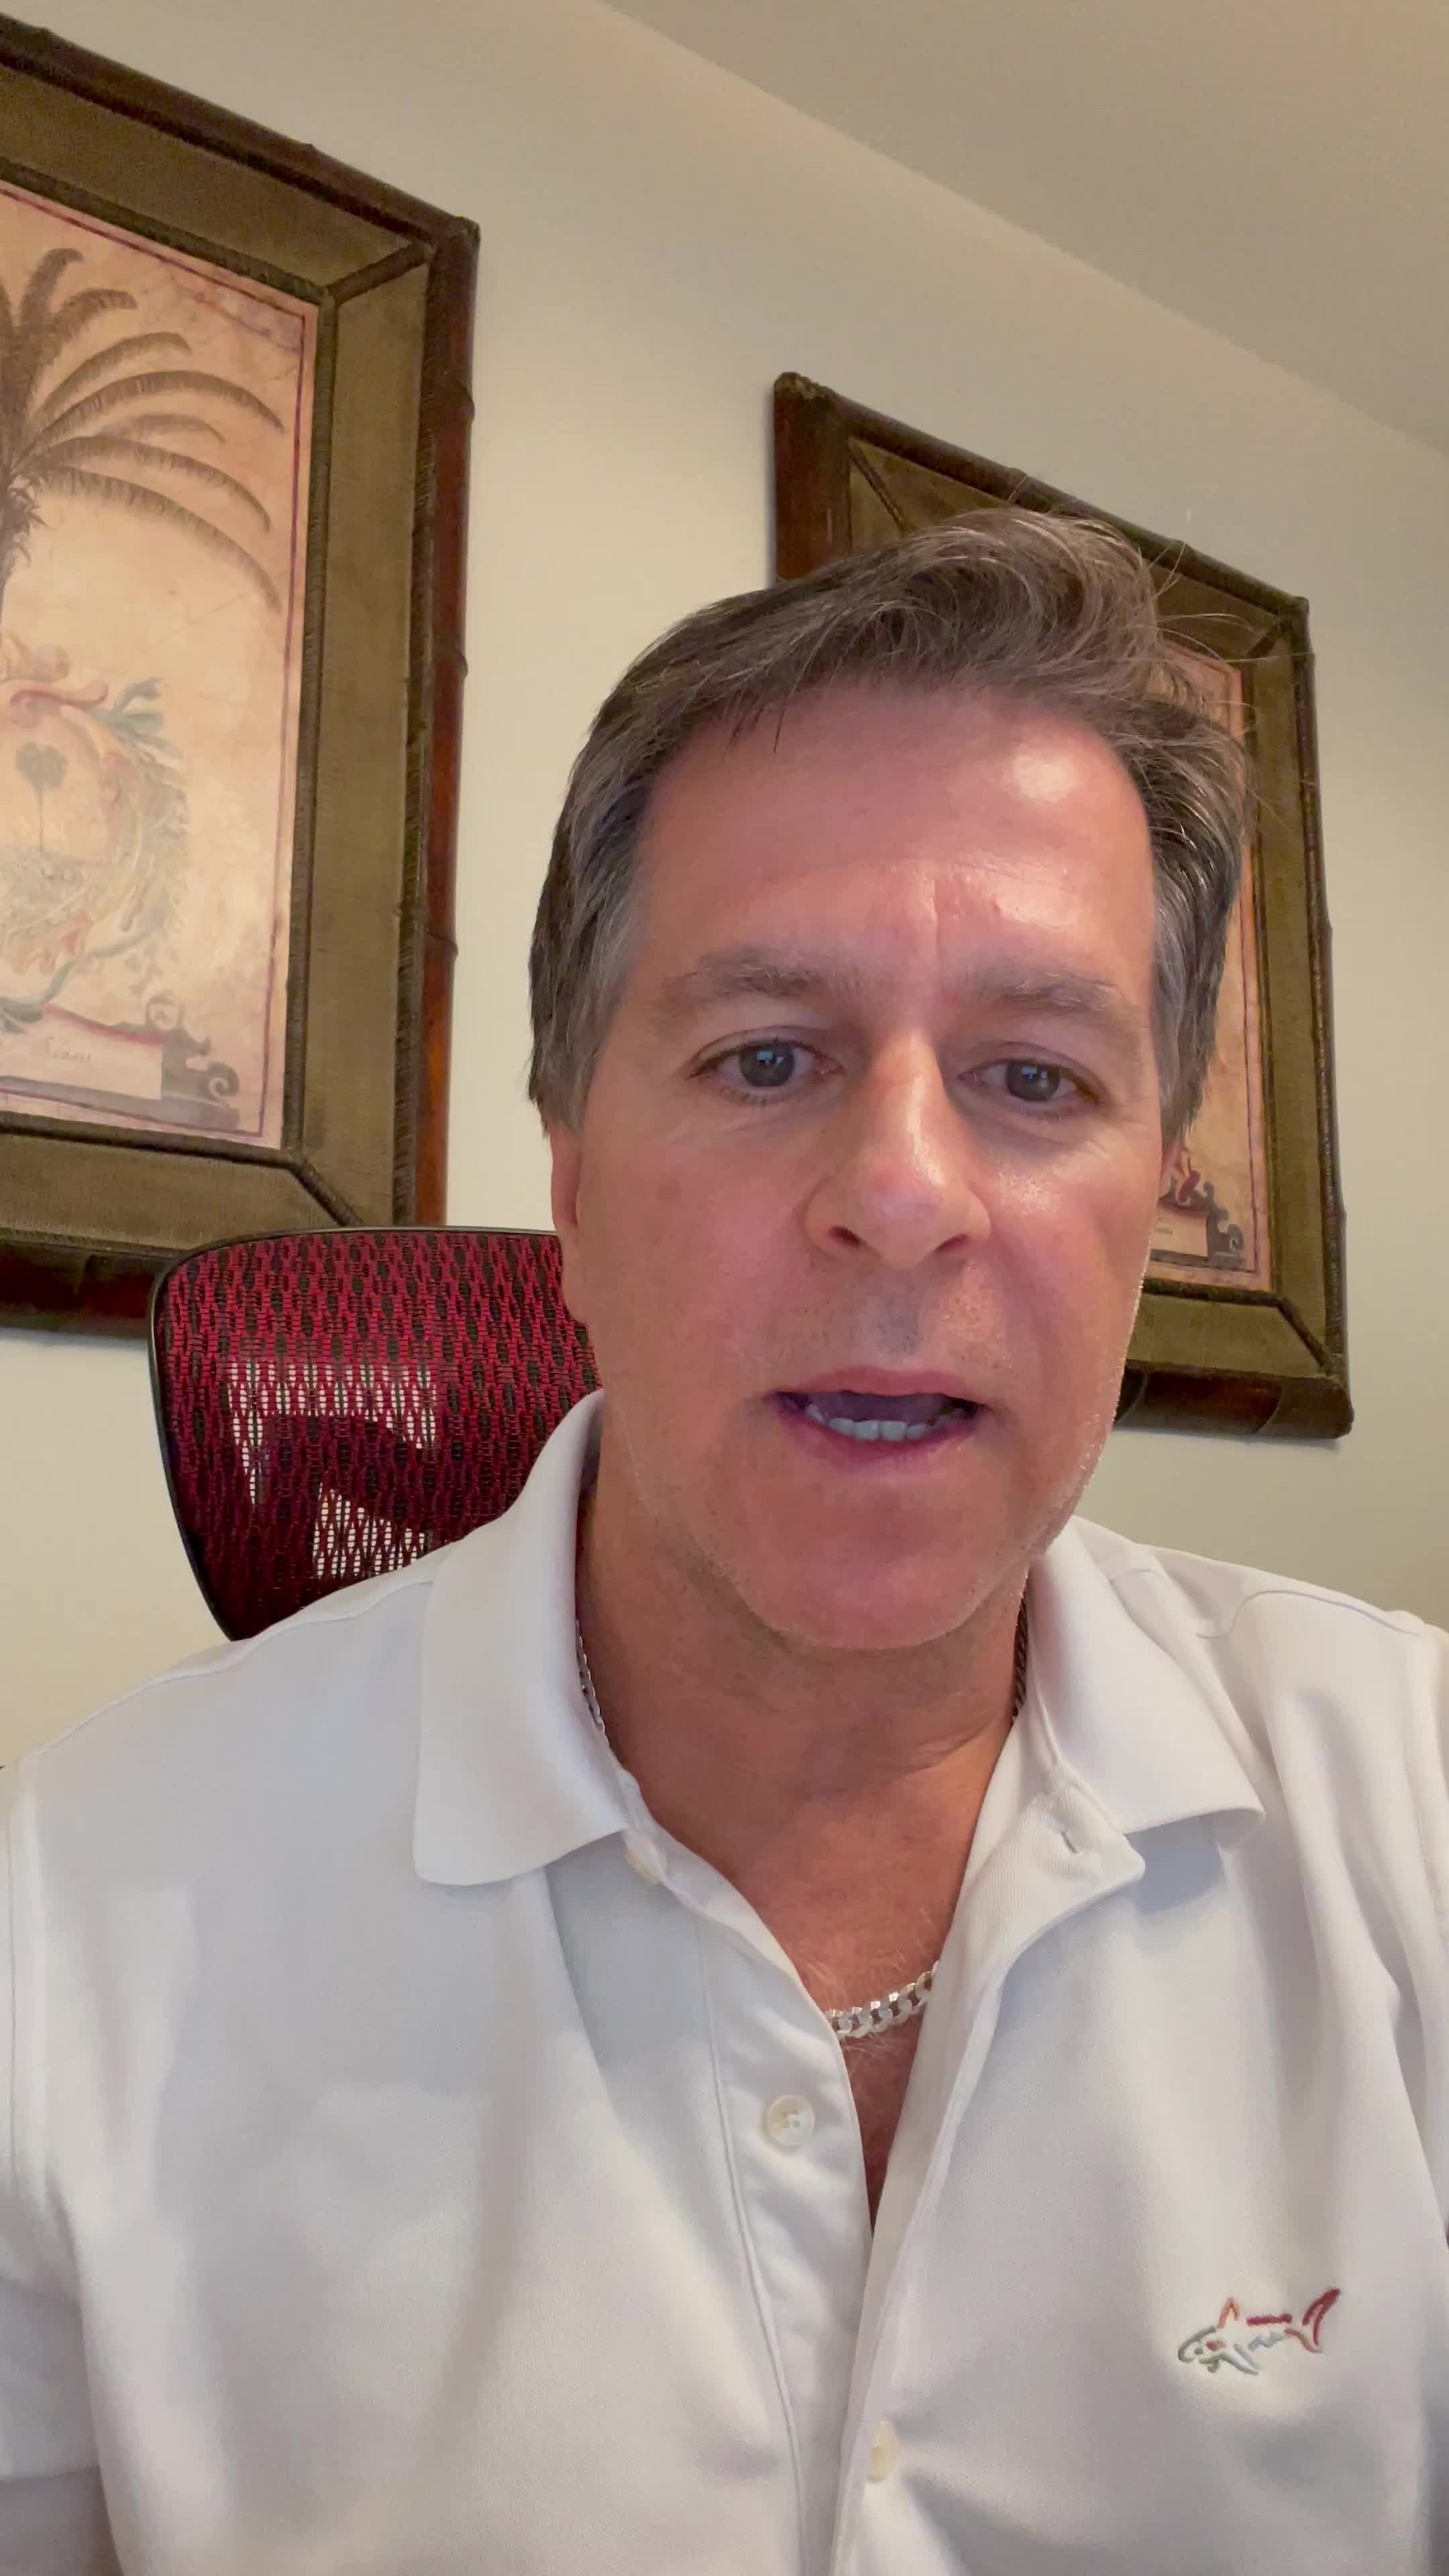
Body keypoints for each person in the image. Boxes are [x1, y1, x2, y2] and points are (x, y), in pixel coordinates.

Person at [1, 513, 1445, 2576]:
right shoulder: (74, 1924)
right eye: (768, 1056)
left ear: (1154, 1210)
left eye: (1037, 1076)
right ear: (573, 1188)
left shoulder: (1413, 1803)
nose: (905, 1195)